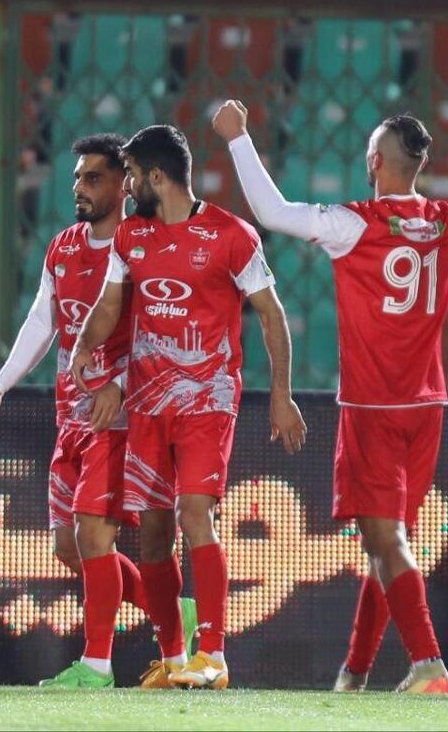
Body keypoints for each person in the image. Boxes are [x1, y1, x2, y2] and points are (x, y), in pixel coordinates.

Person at [211, 90, 448, 693]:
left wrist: (237, 137)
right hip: (427, 405)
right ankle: (355, 674)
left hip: (371, 407)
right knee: (390, 548)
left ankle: (428, 664)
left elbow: (272, 211)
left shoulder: (353, 223)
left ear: (375, 163)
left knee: (387, 542)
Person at [69, 125, 307, 690]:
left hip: (208, 398)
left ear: (156, 177)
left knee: (193, 514)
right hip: (147, 403)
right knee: (153, 535)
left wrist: (281, 395)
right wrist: (83, 344)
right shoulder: (132, 235)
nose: (127, 186)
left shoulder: (232, 235)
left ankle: (215, 656)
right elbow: (109, 304)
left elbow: (271, 314)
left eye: (132, 175)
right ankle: (175, 658)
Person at [0, 134, 198, 688]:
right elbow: (42, 322)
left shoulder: (143, 246)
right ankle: (172, 614)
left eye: (93, 178)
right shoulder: (63, 247)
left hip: (119, 421)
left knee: (95, 537)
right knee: (69, 547)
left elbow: (161, 331)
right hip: (70, 417)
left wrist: (118, 383)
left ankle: (96, 667)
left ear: (124, 185)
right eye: (77, 177)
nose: (80, 187)